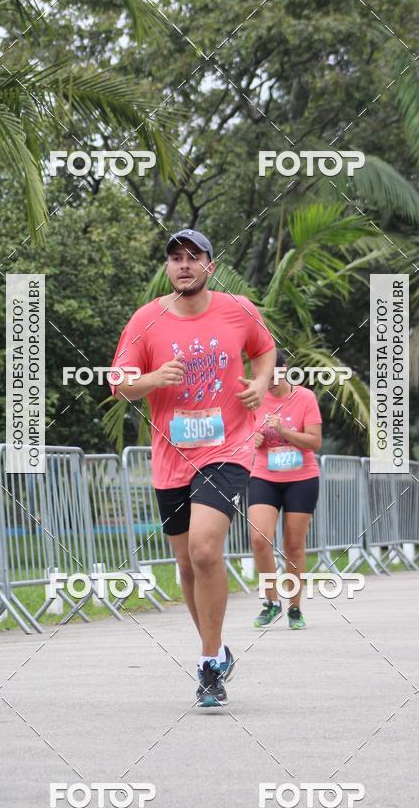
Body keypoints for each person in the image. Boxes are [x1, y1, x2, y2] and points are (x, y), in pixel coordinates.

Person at [111, 228, 276, 706]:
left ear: (210, 266)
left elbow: (264, 350)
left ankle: (207, 664)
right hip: (171, 458)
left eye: (193, 257)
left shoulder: (238, 309)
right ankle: (217, 648)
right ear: (168, 268)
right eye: (175, 258)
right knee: (186, 563)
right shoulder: (147, 319)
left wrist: (260, 383)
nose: (184, 265)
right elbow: (118, 383)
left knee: (205, 550)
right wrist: (153, 379)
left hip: (227, 448)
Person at [248, 349, 322, 630]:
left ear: (285, 368)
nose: (268, 382)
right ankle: (271, 602)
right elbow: (239, 434)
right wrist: (251, 439)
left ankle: (294, 608)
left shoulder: (305, 398)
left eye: (272, 375)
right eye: (261, 376)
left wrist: (284, 432)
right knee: (259, 539)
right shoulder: (254, 398)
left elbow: (314, 442)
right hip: (264, 475)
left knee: (293, 545)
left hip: (301, 478)